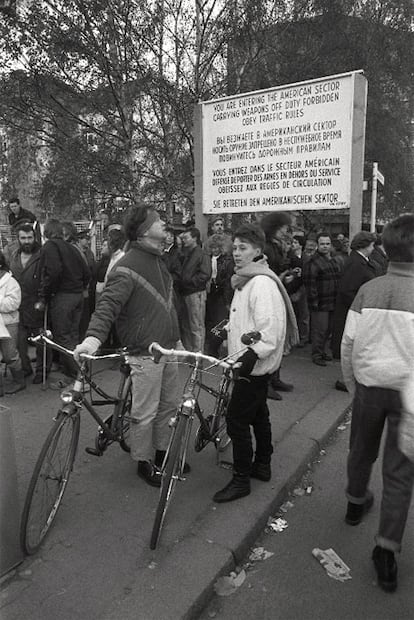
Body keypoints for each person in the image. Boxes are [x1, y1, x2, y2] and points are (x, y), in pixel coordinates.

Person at [74, 205, 181, 487]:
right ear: (145, 230)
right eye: (159, 221)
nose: (165, 224)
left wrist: (178, 338)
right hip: (146, 353)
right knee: (145, 412)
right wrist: (93, 339)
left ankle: (161, 455)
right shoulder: (127, 266)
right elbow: (107, 305)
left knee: (169, 406)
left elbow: (168, 307)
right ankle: (144, 462)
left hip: (168, 349)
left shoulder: (159, 260)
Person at [341, 213, 414, 593]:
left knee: (360, 450)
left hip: (369, 386)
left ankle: (355, 502)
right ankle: (386, 550)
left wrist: (354, 384)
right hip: (408, 396)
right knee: (399, 474)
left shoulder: (369, 290)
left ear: (386, 248)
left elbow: (348, 344)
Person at [213, 223, 298, 503]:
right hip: (248, 362)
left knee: (236, 420)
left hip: (253, 364)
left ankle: (241, 479)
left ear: (258, 250)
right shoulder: (247, 277)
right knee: (259, 414)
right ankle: (262, 465)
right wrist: (225, 332)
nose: (236, 253)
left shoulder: (260, 281)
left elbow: (268, 327)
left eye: (243, 248)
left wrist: (250, 356)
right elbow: (245, 319)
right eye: (235, 248)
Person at [36, 219, 90, 386]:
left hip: (62, 297)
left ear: (47, 233)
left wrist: (45, 294)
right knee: (73, 336)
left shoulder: (50, 246)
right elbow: (86, 271)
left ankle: (81, 379)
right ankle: (73, 376)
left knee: (63, 338)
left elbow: (53, 271)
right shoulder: (72, 248)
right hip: (77, 296)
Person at [331, 231, 376, 383]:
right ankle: (346, 379)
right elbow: (347, 290)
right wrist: (361, 308)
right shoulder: (356, 263)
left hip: (355, 309)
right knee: (352, 346)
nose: (373, 248)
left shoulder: (360, 260)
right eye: (372, 245)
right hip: (352, 311)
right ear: (365, 246)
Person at [260, 212, 294, 400]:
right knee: (270, 338)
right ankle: (266, 382)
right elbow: (267, 273)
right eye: (282, 229)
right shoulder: (267, 247)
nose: (284, 232)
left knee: (279, 337)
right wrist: (281, 278)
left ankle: (275, 377)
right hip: (271, 294)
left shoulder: (276, 246)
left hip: (278, 292)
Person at [9, 223, 47, 383]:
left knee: (41, 341)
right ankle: (25, 368)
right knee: (19, 341)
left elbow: (48, 278)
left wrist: (43, 299)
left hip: (37, 303)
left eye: (29, 238)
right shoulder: (14, 256)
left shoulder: (42, 255)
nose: (26, 241)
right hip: (19, 305)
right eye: (23, 238)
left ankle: (42, 370)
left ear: (34, 237)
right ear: (18, 239)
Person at [303, 231, 342, 366]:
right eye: (322, 244)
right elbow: (310, 284)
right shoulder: (313, 262)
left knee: (328, 330)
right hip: (320, 302)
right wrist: (314, 303)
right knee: (320, 330)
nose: (325, 246)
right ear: (317, 245)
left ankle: (322, 352)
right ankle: (317, 354)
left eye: (327, 244)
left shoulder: (333, 260)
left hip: (332, 301)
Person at [176, 227, 211, 352]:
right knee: (187, 325)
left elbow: (206, 273)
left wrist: (190, 282)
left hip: (196, 293)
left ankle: (198, 355)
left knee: (197, 326)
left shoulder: (201, 254)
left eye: (186, 238)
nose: (184, 240)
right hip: (186, 292)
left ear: (194, 238)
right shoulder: (187, 254)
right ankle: (191, 353)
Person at [204, 233, 234, 357]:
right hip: (210, 293)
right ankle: (212, 348)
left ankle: (215, 346)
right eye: (212, 247)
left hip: (221, 293)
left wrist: (227, 300)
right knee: (210, 321)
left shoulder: (226, 260)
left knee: (220, 321)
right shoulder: (207, 258)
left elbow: (227, 281)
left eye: (217, 247)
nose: (214, 250)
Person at [0, 251, 25, 394]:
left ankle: (19, 381)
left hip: (8, 322)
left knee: (10, 355)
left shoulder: (10, 281)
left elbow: (13, 303)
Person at [289, 235, 309, 347]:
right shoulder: (289, 257)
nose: (293, 244)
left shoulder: (307, 258)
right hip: (292, 288)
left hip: (303, 289)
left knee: (304, 314)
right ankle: (294, 336)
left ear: (301, 245)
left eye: (296, 242)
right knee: (294, 314)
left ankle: (304, 337)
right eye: (293, 242)